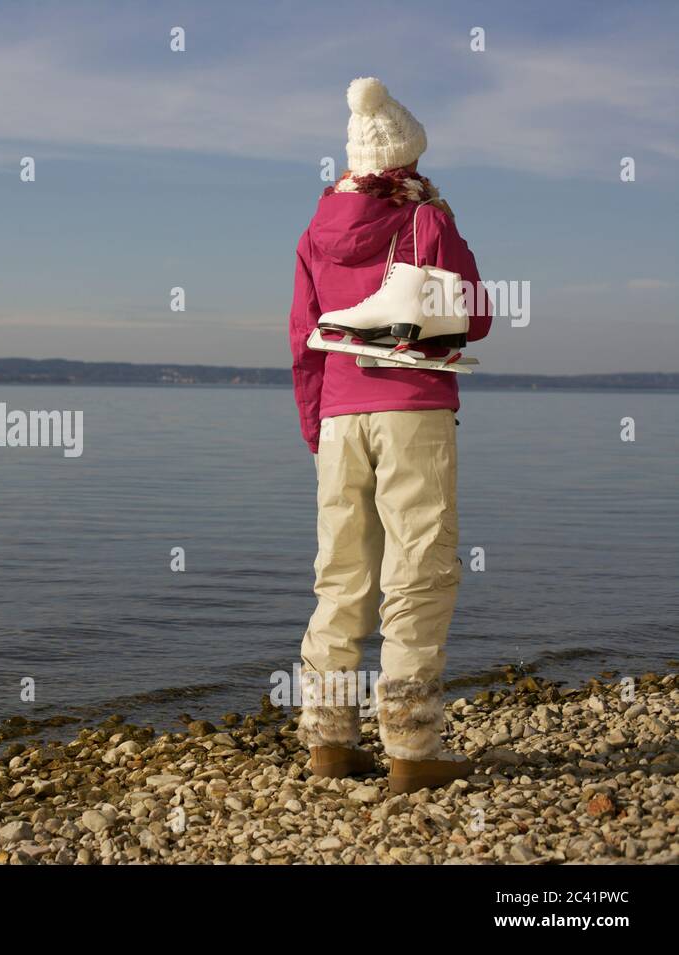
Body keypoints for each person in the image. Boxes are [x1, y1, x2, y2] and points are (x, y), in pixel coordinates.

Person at [288, 77, 493, 793]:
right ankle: (411, 748)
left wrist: (318, 425)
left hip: (341, 417)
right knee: (419, 571)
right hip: (413, 411)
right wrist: (441, 217)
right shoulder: (425, 219)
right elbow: (476, 313)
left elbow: (302, 341)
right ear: (407, 160)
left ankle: (329, 741)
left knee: (340, 576)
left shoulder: (315, 230)